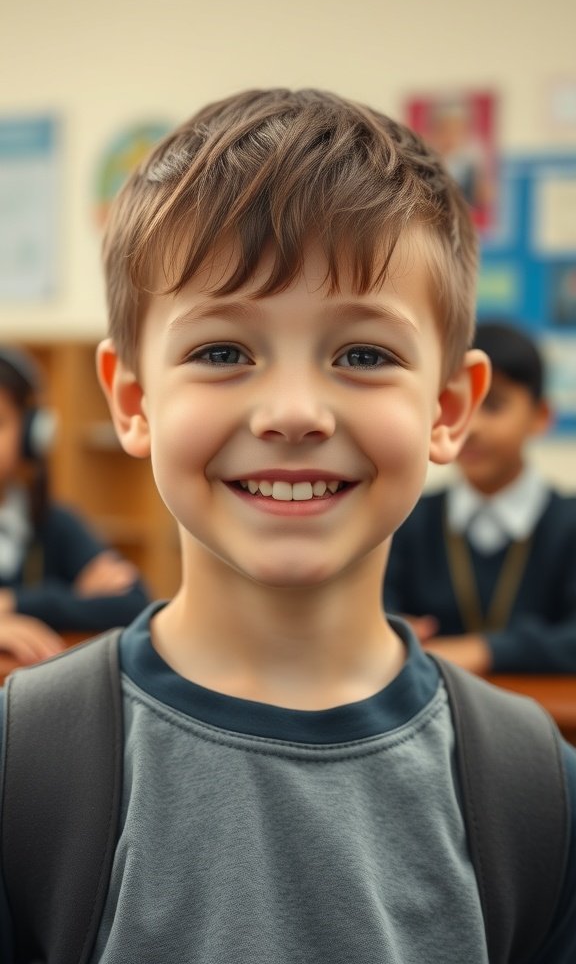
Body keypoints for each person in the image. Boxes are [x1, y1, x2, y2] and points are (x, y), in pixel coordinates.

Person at [1, 89, 575, 961]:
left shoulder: (542, 799)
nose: (296, 413)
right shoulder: (21, 769)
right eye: (224, 352)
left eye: (364, 355)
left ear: (449, 407)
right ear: (132, 399)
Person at [384, 321, 576, 675]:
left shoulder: (568, 523)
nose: (470, 428)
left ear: (540, 416)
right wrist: (391, 629)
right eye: (455, 406)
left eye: (494, 405)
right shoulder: (406, 518)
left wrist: (485, 651)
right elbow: (375, 613)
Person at [0, 345, 150, 664]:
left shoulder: (53, 523)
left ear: (30, 436)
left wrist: (17, 603)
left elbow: (133, 603)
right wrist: (75, 597)